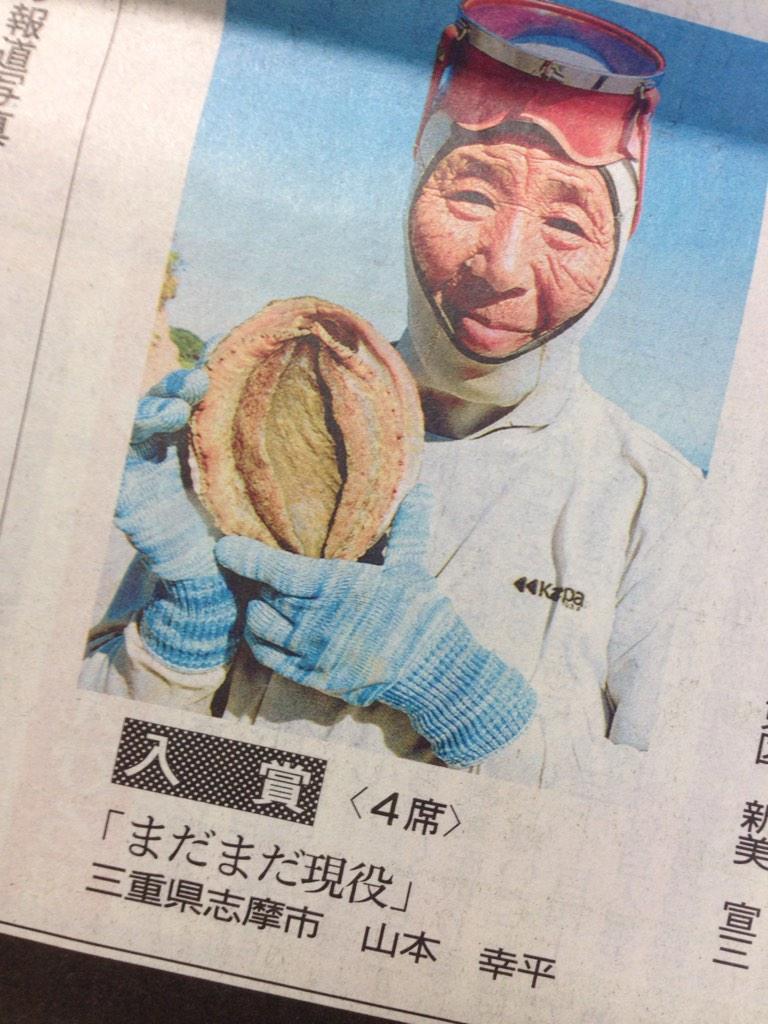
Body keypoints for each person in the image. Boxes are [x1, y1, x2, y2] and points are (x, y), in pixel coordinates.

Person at [81, 0, 701, 791]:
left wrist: (466, 700)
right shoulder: (237, 419)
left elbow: (674, 819)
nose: (503, 267)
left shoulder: (660, 506)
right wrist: (179, 638)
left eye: (568, 225)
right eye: (472, 196)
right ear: (413, 192)